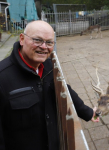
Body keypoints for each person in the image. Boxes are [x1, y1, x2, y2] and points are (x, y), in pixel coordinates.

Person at [0, 20, 99, 150]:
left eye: (49, 42)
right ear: (22, 39)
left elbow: (65, 89)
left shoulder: (48, 66)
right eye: (37, 40)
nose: (44, 47)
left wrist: (88, 112)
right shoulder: (2, 77)